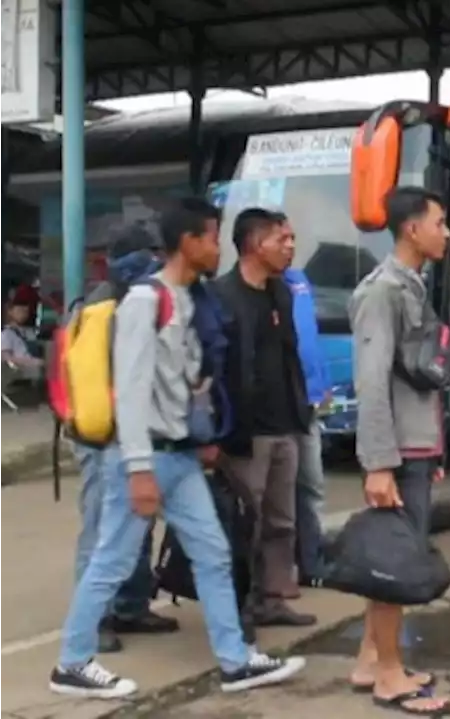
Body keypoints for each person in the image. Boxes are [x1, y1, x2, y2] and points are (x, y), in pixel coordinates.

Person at [49, 197, 306, 699]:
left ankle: (235, 661)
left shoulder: (191, 298)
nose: (217, 247)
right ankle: (71, 663)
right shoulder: (147, 302)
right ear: (188, 243)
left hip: (182, 455)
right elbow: (132, 385)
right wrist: (139, 469)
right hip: (145, 455)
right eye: (211, 237)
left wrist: (202, 437)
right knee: (112, 561)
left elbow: (185, 380)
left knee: (212, 553)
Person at [349, 187, 450, 715]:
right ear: (412, 229)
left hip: (415, 449)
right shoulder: (382, 292)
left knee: (392, 558)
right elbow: (370, 382)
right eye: (440, 222)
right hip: (396, 455)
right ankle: (390, 676)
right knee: (393, 564)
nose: (447, 232)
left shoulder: (410, 286)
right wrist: (379, 463)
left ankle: (372, 656)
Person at [70, 223, 179, 655]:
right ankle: (93, 621)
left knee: (136, 520)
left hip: (130, 432)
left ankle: (131, 606)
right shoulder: (107, 308)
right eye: (150, 253)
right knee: (102, 530)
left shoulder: (123, 300)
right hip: (101, 436)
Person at [214, 209, 315, 627]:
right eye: (283, 238)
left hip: (285, 426)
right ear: (257, 244)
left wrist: (301, 411)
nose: (291, 246)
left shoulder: (282, 293)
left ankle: (273, 599)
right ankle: (238, 606)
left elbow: (288, 356)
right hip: (245, 434)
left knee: (281, 522)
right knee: (243, 524)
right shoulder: (222, 295)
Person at [280, 219, 332, 589]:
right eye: (282, 238)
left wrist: (324, 383)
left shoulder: (299, 281)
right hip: (281, 408)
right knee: (280, 496)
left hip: (310, 404)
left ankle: (313, 561)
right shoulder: (259, 287)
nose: (290, 245)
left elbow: (311, 338)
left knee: (312, 486)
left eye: (293, 238)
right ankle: (280, 572)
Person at [0, 299, 42, 379]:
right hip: (18, 379)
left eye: (26, 311)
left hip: (34, 376)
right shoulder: (7, 334)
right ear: (10, 312)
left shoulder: (30, 332)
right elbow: (6, 359)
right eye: (20, 310)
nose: (23, 314)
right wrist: (31, 362)